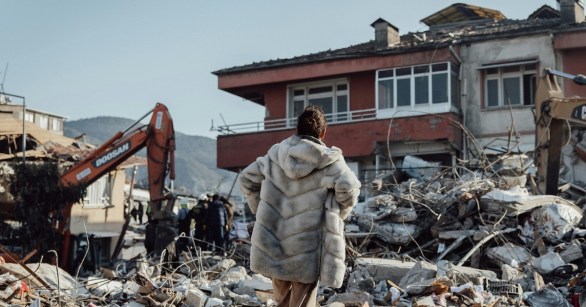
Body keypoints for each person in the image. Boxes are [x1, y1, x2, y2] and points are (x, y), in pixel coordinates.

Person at [239, 105, 361, 307]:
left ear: (298, 129)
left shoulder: (275, 156)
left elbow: (246, 180)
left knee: (282, 302)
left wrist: (263, 209)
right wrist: (338, 210)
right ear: (323, 132)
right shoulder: (329, 160)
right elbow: (348, 189)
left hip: (274, 245)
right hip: (307, 249)